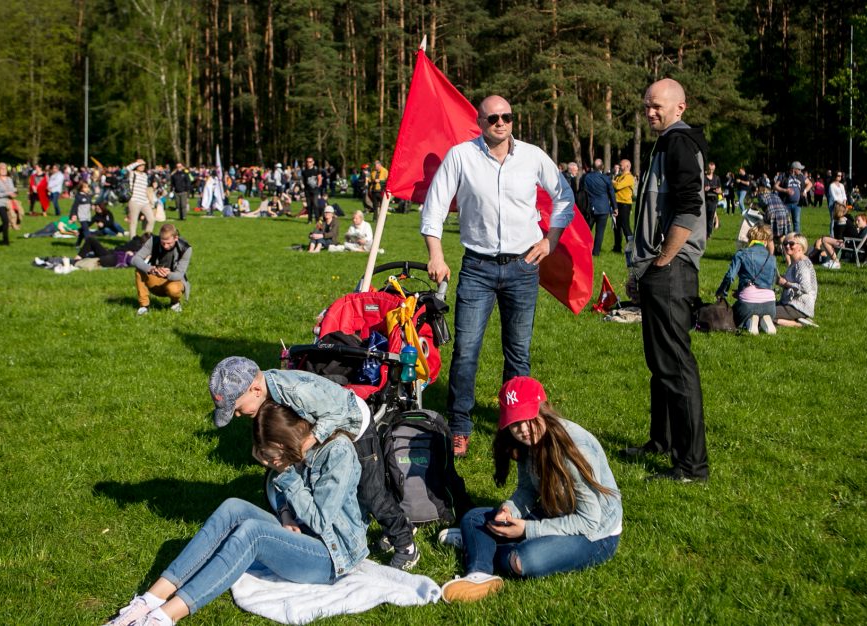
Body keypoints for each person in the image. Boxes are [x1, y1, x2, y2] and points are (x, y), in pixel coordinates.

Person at [103, 403, 367, 626]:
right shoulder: (294, 448)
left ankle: (161, 619)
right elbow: (283, 492)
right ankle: (148, 601)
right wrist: (285, 516)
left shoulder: (337, 452)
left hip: (333, 556)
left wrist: (285, 473)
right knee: (233, 507)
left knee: (253, 533)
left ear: (289, 439)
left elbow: (320, 520)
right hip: (302, 537)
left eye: (274, 457)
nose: (273, 464)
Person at [420, 94, 575, 457]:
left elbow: (564, 195)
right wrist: (436, 254)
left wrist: (550, 241)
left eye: (506, 116)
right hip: (477, 267)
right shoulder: (461, 156)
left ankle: (515, 425)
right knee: (466, 351)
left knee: (518, 354)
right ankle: (460, 424)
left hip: (523, 266)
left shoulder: (534, 156)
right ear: (480, 121)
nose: (500, 123)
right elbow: (434, 207)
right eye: (493, 118)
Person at [208, 357, 420, 570]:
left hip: (355, 426)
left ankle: (405, 542)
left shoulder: (294, 391)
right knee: (344, 491)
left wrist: (306, 443)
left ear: (255, 389)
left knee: (371, 492)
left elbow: (336, 413)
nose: (237, 414)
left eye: (236, 408)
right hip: (334, 434)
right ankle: (373, 526)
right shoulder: (268, 390)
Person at [439, 376, 621, 603]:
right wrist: (509, 510)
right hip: (554, 511)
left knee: (524, 561)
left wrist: (526, 529)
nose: (524, 430)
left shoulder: (576, 450)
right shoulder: (525, 444)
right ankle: (479, 574)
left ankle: (479, 544)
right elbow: (527, 490)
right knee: (474, 518)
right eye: (515, 424)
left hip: (596, 534)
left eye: (529, 419)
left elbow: (589, 521)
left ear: (543, 410)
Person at [621, 78, 709, 483]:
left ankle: (692, 465)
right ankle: (663, 440)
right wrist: (641, 269)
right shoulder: (666, 143)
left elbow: (690, 208)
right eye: (647, 106)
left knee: (676, 366)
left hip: (671, 271)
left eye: (657, 106)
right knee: (660, 364)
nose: (650, 112)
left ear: (680, 107)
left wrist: (662, 260)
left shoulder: (679, 143)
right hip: (656, 269)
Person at [715, 224, 778, 335]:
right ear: (766, 241)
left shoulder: (742, 254)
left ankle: (749, 322)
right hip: (770, 305)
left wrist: (722, 292)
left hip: (748, 303)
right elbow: (772, 282)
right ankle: (763, 321)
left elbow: (730, 276)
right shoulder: (772, 258)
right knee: (761, 310)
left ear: (750, 238)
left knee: (732, 318)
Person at [130, 223, 191, 315]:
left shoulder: (185, 249)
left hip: (174, 281)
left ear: (176, 238)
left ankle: (175, 303)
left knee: (173, 289)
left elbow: (180, 274)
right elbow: (134, 259)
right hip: (155, 279)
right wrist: (150, 269)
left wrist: (168, 274)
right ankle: (144, 306)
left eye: (169, 243)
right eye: (163, 243)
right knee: (139, 270)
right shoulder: (153, 241)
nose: (165, 246)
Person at [776, 233, 818, 328]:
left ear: (800, 246)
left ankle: (798, 324)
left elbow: (805, 288)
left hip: (800, 306)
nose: (787, 246)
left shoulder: (802, 264)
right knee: (764, 309)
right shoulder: (794, 263)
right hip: (790, 303)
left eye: (791, 244)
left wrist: (786, 283)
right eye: (785, 243)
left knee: (766, 314)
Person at [582, 158, 617, 256]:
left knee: (587, 230)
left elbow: (582, 190)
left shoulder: (586, 177)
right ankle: (596, 252)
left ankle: (584, 249)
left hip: (590, 207)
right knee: (600, 232)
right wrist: (615, 207)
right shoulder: (606, 178)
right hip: (603, 208)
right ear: (602, 167)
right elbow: (611, 193)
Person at [774, 161, 811, 234]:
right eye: (799, 169)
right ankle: (787, 238)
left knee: (796, 222)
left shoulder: (801, 176)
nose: (801, 171)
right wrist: (785, 190)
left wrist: (805, 191)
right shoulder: (784, 175)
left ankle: (796, 239)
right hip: (785, 203)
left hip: (797, 204)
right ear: (794, 169)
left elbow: (810, 183)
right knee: (786, 222)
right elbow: (775, 186)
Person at [126, 160, 155, 239]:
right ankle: (133, 240)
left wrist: (150, 200)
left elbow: (145, 189)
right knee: (134, 222)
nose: (142, 166)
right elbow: (126, 169)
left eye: (143, 165)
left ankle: (146, 238)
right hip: (134, 200)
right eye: (140, 165)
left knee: (151, 219)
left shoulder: (145, 175)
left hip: (144, 201)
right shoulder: (133, 173)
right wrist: (137, 162)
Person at [611, 159, 635, 253]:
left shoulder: (629, 177)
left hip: (625, 204)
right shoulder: (619, 176)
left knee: (625, 226)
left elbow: (618, 186)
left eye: (621, 165)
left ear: (627, 166)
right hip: (617, 203)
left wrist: (612, 181)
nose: (620, 166)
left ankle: (631, 247)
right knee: (617, 226)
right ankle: (617, 247)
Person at [301, 156, 322, 224]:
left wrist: (318, 186)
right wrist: (303, 186)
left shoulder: (316, 170)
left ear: (313, 162)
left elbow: (319, 178)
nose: (308, 163)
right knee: (309, 205)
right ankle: (309, 220)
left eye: (310, 162)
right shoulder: (304, 171)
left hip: (315, 190)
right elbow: (303, 180)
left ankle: (317, 220)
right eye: (307, 162)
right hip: (307, 190)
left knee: (315, 204)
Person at [704, 161, 721, 239]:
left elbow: (720, 189)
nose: (711, 171)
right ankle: (704, 233)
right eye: (710, 169)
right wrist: (704, 189)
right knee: (704, 217)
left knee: (710, 217)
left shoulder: (716, 178)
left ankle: (708, 234)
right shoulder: (703, 177)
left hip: (713, 199)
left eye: (712, 169)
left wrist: (718, 191)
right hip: (705, 199)